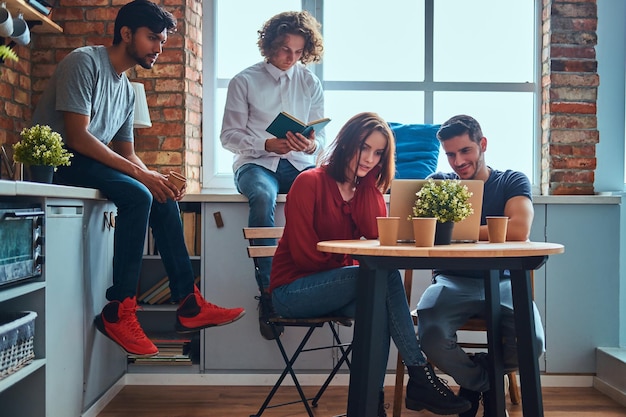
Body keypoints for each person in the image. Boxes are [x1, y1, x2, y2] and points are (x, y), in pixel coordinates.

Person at [31, 0, 245, 357]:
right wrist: (143, 179)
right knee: (140, 195)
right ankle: (119, 308)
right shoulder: (84, 62)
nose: (158, 49)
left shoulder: (128, 89)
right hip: (61, 162)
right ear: (126, 33)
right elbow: (77, 137)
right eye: (152, 39)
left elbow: (127, 153)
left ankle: (188, 304)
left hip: (89, 161)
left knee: (155, 194)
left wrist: (155, 178)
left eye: (162, 41)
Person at [269, 112, 472, 416]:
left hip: (342, 288)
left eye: (378, 153)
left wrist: (368, 187)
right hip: (292, 292)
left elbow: (376, 234)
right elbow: (304, 256)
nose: (369, 158)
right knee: (382, 278)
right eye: (364, 148)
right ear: (348, 142)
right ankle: (420, 375)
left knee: (378, 307)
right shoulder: (309, 181)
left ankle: (369, 407)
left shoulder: (364, 187)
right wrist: (350, 268)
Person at [415, 114, 545, 417]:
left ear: (482, 144)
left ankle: (476, 380)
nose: (458, 161)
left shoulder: (511, 180)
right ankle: (485, 383)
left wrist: (456, 231)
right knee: (431, 336)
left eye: (465, 151)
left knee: (533, 343)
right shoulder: (439, 184)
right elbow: (426, 233)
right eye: (450, 154)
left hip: (502, 281)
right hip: (451, 280)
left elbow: (518, 231)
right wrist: (489, 231)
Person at [220, 11, 325, 340]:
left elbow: (319, 138)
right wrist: (267, 143)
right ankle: (269, 293)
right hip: (255, 164)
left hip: (298, 164)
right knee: (263, 196)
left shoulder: (309, 81)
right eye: (284, 50)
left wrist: (309, 144)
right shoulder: (244, 81)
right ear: (269, 46)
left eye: (298, 51)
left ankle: (317, 282)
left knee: (323, 196)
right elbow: (229, 136)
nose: (291, 58)